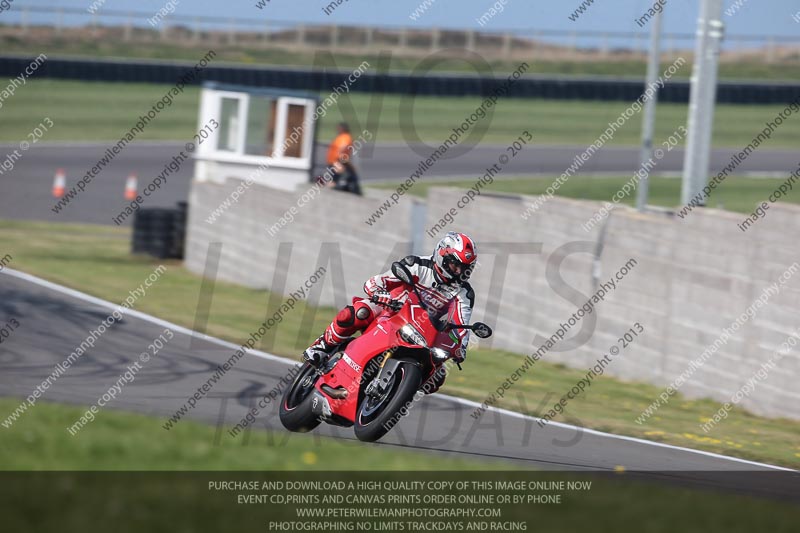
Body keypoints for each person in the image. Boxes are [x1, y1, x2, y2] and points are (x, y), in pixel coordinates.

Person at [303, 232, 478, 392]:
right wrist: (381, 294)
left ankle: (398, 392)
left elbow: (462, 326)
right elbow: (374, 282)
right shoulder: (416, 265)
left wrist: (460, 348)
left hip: (426, 333)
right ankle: (322, 347)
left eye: (464, 268)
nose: (458, 272)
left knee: (437, 378)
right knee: (356, 313)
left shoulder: (464, 293)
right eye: (455, 265)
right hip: (391, 311)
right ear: (442, 255)